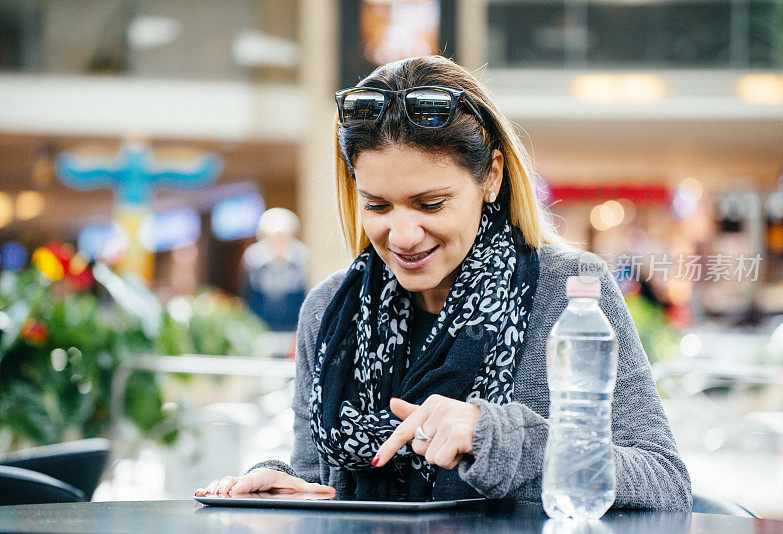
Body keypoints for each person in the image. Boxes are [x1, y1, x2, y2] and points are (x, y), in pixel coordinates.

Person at [197, 55, 692, 509]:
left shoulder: (571, 290)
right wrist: (279, 483)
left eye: (430, 204)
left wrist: (493, 438)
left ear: (491, 176)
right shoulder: (329, 308)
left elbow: (664, 480)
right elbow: (315, 475)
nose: (404, 236)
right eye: (378, 205)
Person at [241, 208, 308, 332]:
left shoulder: (300, 256)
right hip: (262, 324)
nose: (278, 241)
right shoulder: (254, 258)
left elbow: (303, 294)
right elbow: (249, 296)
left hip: (292, 325)